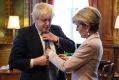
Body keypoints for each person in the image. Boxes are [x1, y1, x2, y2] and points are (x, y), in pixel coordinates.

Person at [8, 3, 75, 80]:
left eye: (50, 19)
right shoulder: (24, 33)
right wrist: (35, 61)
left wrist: (57, 39)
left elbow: (72, 48)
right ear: (35, 19)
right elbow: (13, 61)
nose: (47, 23)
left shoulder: (56, 29)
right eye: (44, 20)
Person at [46, 6, 103, 80]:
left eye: (78, 26)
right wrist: (70, 60)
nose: (76, 29)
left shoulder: (91, 43)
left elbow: (66, 67)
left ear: (87, 27)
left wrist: (51, 54)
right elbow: (84, 63)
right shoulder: (93, 40)